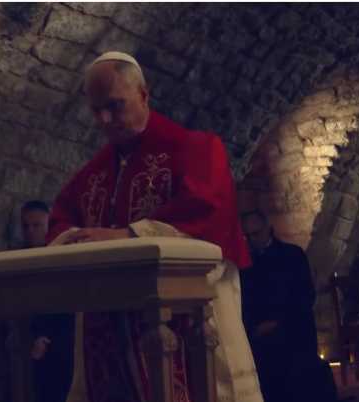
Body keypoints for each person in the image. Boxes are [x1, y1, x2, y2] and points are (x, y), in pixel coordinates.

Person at [45, 51, 263, 402]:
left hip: (186, 318)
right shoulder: (92, 174)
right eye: (96, 110)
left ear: (143, 95)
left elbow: (207, 209)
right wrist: (75, 239)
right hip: (112, 324)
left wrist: (125, 236)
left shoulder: (196, 149)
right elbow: (60, 218)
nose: (105, 120)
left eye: (114, 106)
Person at [240, 213, 338, 402]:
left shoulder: (292, 255)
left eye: (256, 234)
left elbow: (304, 296)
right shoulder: (246, 264)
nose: (252, 240)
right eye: (247, 236)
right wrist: (253, 327)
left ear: (268, 229)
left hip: (291, 331)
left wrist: (278, 322)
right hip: (259, 333)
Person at [21, 200, 75, 402]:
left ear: (48, 225)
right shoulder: (19, 257)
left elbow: (63, 298)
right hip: (29, 335)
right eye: (26, 226)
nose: (30, 231)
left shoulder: (60, 256)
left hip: (59, 337)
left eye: (36, 225)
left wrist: (44, 334)